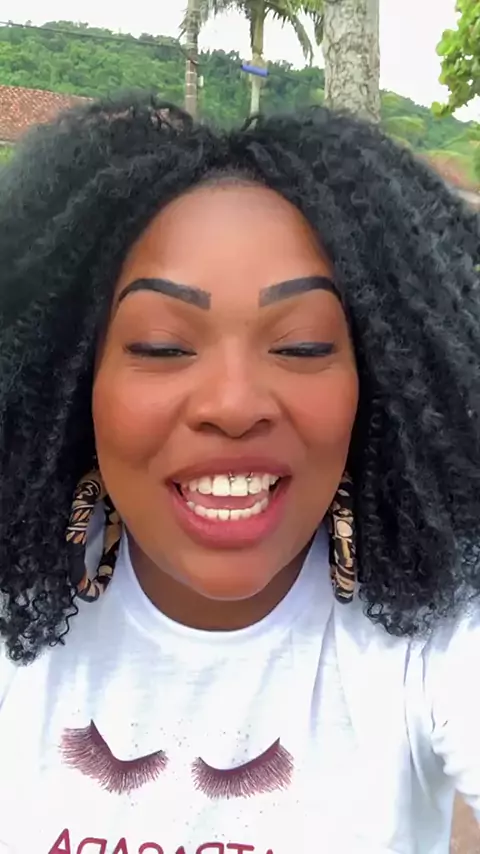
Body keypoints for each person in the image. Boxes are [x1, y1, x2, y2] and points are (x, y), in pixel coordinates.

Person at [0, 91, 480, 854]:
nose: (233, 405)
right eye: (162, 347)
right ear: (71, 377)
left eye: (301, 346)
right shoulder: (15, 608)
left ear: (379, 382)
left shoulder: (436, 632)